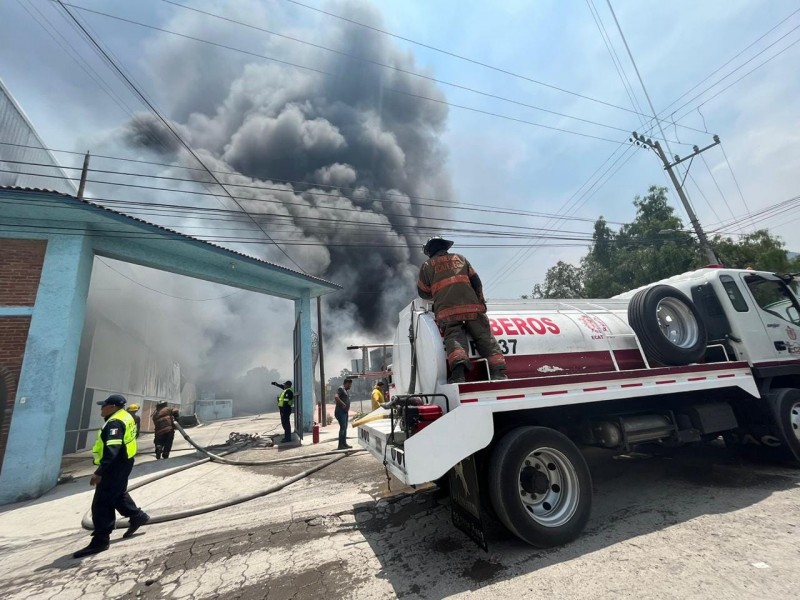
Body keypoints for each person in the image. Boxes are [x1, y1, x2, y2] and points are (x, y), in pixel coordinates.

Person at [417, 236, 507, 383]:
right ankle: (498, 373)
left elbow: (422, 291)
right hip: (473, 307)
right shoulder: (460, 258)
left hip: (447, 311)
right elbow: (476, 281)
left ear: (429, 251)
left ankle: (459, 375)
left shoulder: (427, 266)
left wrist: (437, 292)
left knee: (454, 340)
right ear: (445, 247)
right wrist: (481, 301)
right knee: (484, 337)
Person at [73, 394, 149, 558]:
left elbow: (112, 450)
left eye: (104, 405)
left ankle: (100, 540)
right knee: (116, 494)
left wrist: (100, 472)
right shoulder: (126, 416)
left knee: (102, 503)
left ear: (113, 407)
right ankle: (138, 516)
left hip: (115, 465)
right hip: (124, 461)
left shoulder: (114, 422)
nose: (101, 408)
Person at [334, 378, 353, 449]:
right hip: (340, 412)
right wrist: (343, 404)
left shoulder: (345, 390)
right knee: (342, 428)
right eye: (349, 385)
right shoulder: (341, 389)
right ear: (346, 383)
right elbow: (336, 397)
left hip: (344, 412)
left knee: (345, 428)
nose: (350, 387)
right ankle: (340, 445)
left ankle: (344, 444)